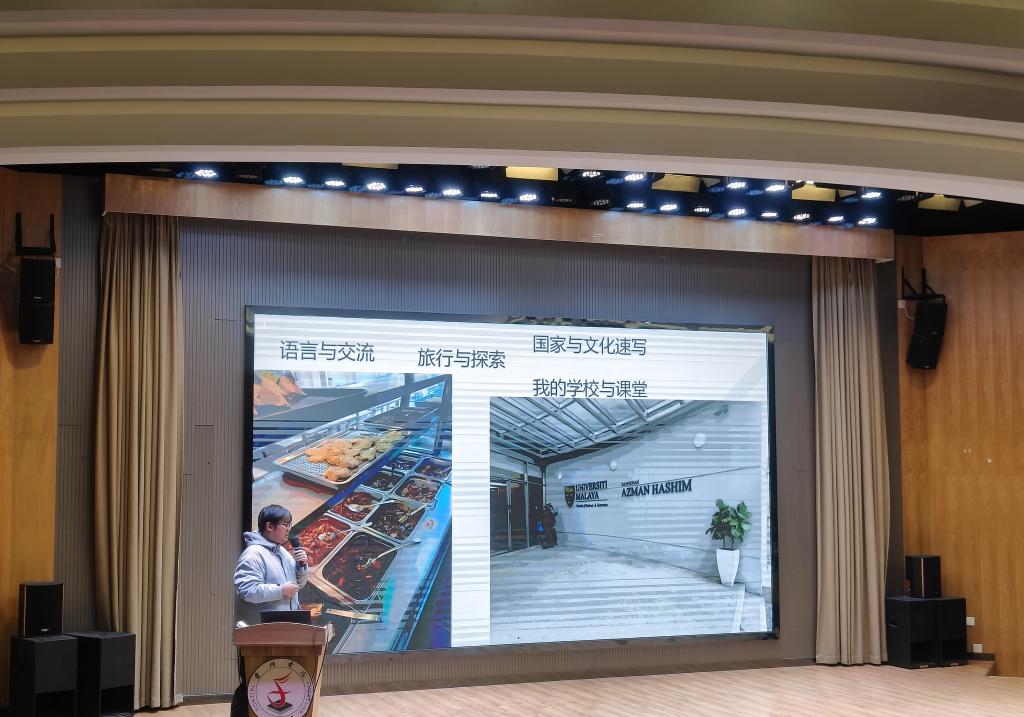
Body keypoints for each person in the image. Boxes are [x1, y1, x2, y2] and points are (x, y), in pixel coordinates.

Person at [231, 504, 309, 716]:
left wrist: (302, 567)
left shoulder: (282, 552)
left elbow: (296, 586)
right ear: (269, 526)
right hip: (258, 633)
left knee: (272, 685)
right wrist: (280, 590)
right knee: (251, 685)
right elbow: (247, 590)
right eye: (286, 525)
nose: (289, 530)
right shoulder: (253, 554)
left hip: (283, 632)